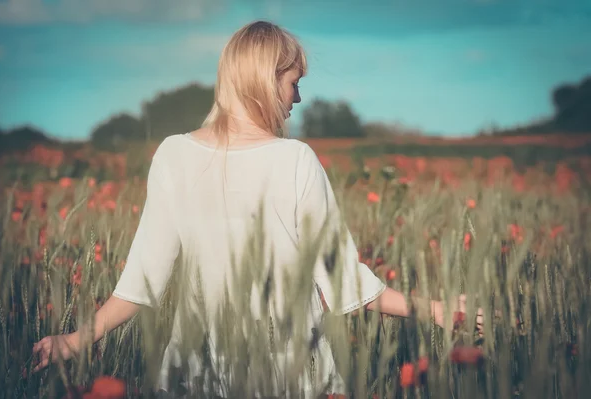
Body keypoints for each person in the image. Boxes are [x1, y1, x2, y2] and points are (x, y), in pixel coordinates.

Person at [32, 20, 481, 398]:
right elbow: (342, 284)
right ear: (267, 80)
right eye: (294, 83)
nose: (298, 99)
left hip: (196, 375)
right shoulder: (295, 159)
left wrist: (76, 339)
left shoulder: (174, 155)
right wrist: (438, 309)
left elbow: (142, 279)